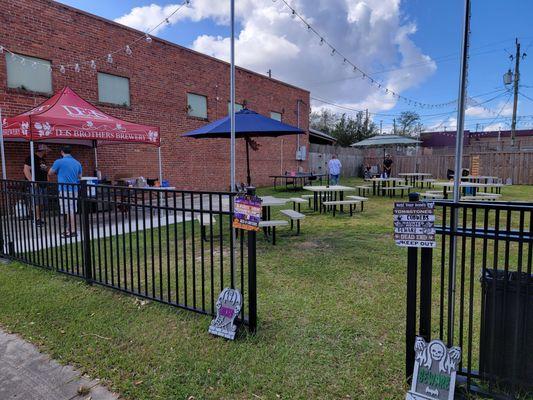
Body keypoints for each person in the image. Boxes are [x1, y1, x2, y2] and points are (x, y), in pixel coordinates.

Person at [48, 145, 82, 238]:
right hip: (74, 189)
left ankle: (72, 231)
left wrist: (58, 172)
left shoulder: (58, 162)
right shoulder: (77, 163)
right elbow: (80, 177)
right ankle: (70, 230)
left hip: (64, 190)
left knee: (68, 211)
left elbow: (50, 173)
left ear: (62, 152)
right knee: (71, 210)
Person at [23, 144, 50, 226]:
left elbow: (45, 171)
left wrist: (48, 179)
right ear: (43, 150)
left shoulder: (43, 160)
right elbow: (26, 170)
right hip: (35, 184)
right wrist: (32, 181)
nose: (47, 152)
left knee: (40, 202)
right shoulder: (31, 158)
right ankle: (37, 219)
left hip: (43, 184)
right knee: (36, 202)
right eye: (47, 150)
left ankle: (36, 217)